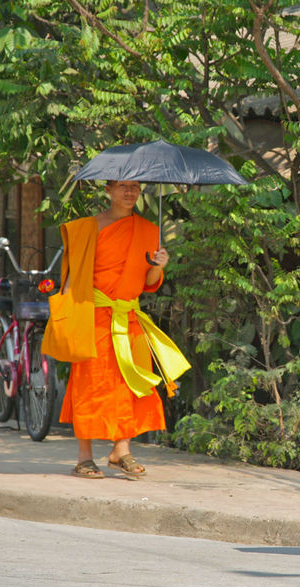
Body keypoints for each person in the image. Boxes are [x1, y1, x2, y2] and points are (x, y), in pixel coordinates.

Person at [45, 179, 189, 479]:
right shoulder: (87, 227)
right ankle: (84, 457)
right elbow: (73, 277)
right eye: (123, 187)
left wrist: (159, 265)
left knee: (131, 385)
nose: (129, 192)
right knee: (90, 385)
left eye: (135, 187)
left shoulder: (149, 231)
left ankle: (120, 451)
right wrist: (66, 316)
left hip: (128, 317)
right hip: (93, 316)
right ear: (108, 189)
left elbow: (149, 284)